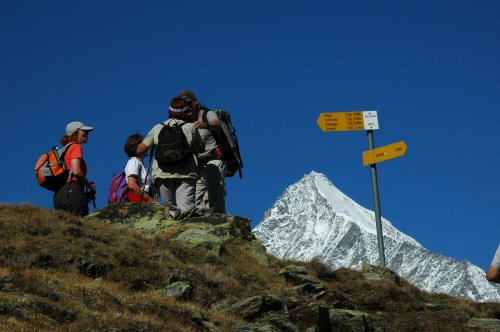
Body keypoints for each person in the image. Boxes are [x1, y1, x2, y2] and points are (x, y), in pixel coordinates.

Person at [136, 97, 203, 213]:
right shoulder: (191, 127)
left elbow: (140, 150)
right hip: (186, 174)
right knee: (186, 211)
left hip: (163, 174)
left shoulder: (158, 128)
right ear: (186, 112)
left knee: (170, 211)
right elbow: (200, 148)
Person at [178, 90, 227, 213]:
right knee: (195, 201)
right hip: (197, 167)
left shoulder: (207, 114)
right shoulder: (185, 122)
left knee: (215, 197)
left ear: (196, 102)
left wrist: (205, 125)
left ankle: (219, 221)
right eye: (183, 104)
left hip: (213, 161)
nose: (187, 107)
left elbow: (215, 123)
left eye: (189, 103)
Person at [53, 121, 96, 217]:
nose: (87, 133)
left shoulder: (63, 151)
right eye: (84, 131)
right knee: (79, 228)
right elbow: (76, 171)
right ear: (75, 133)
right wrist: (90, 186)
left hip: (59, 195)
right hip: (73, 192)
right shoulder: (76, 147)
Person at [124, 133, 156, 203]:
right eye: (144, 144)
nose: (147, 146)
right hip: (139, 201)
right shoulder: (134, 162)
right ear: (137, 147)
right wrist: (149, 199)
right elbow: (131, 185)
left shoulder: (140, 164)